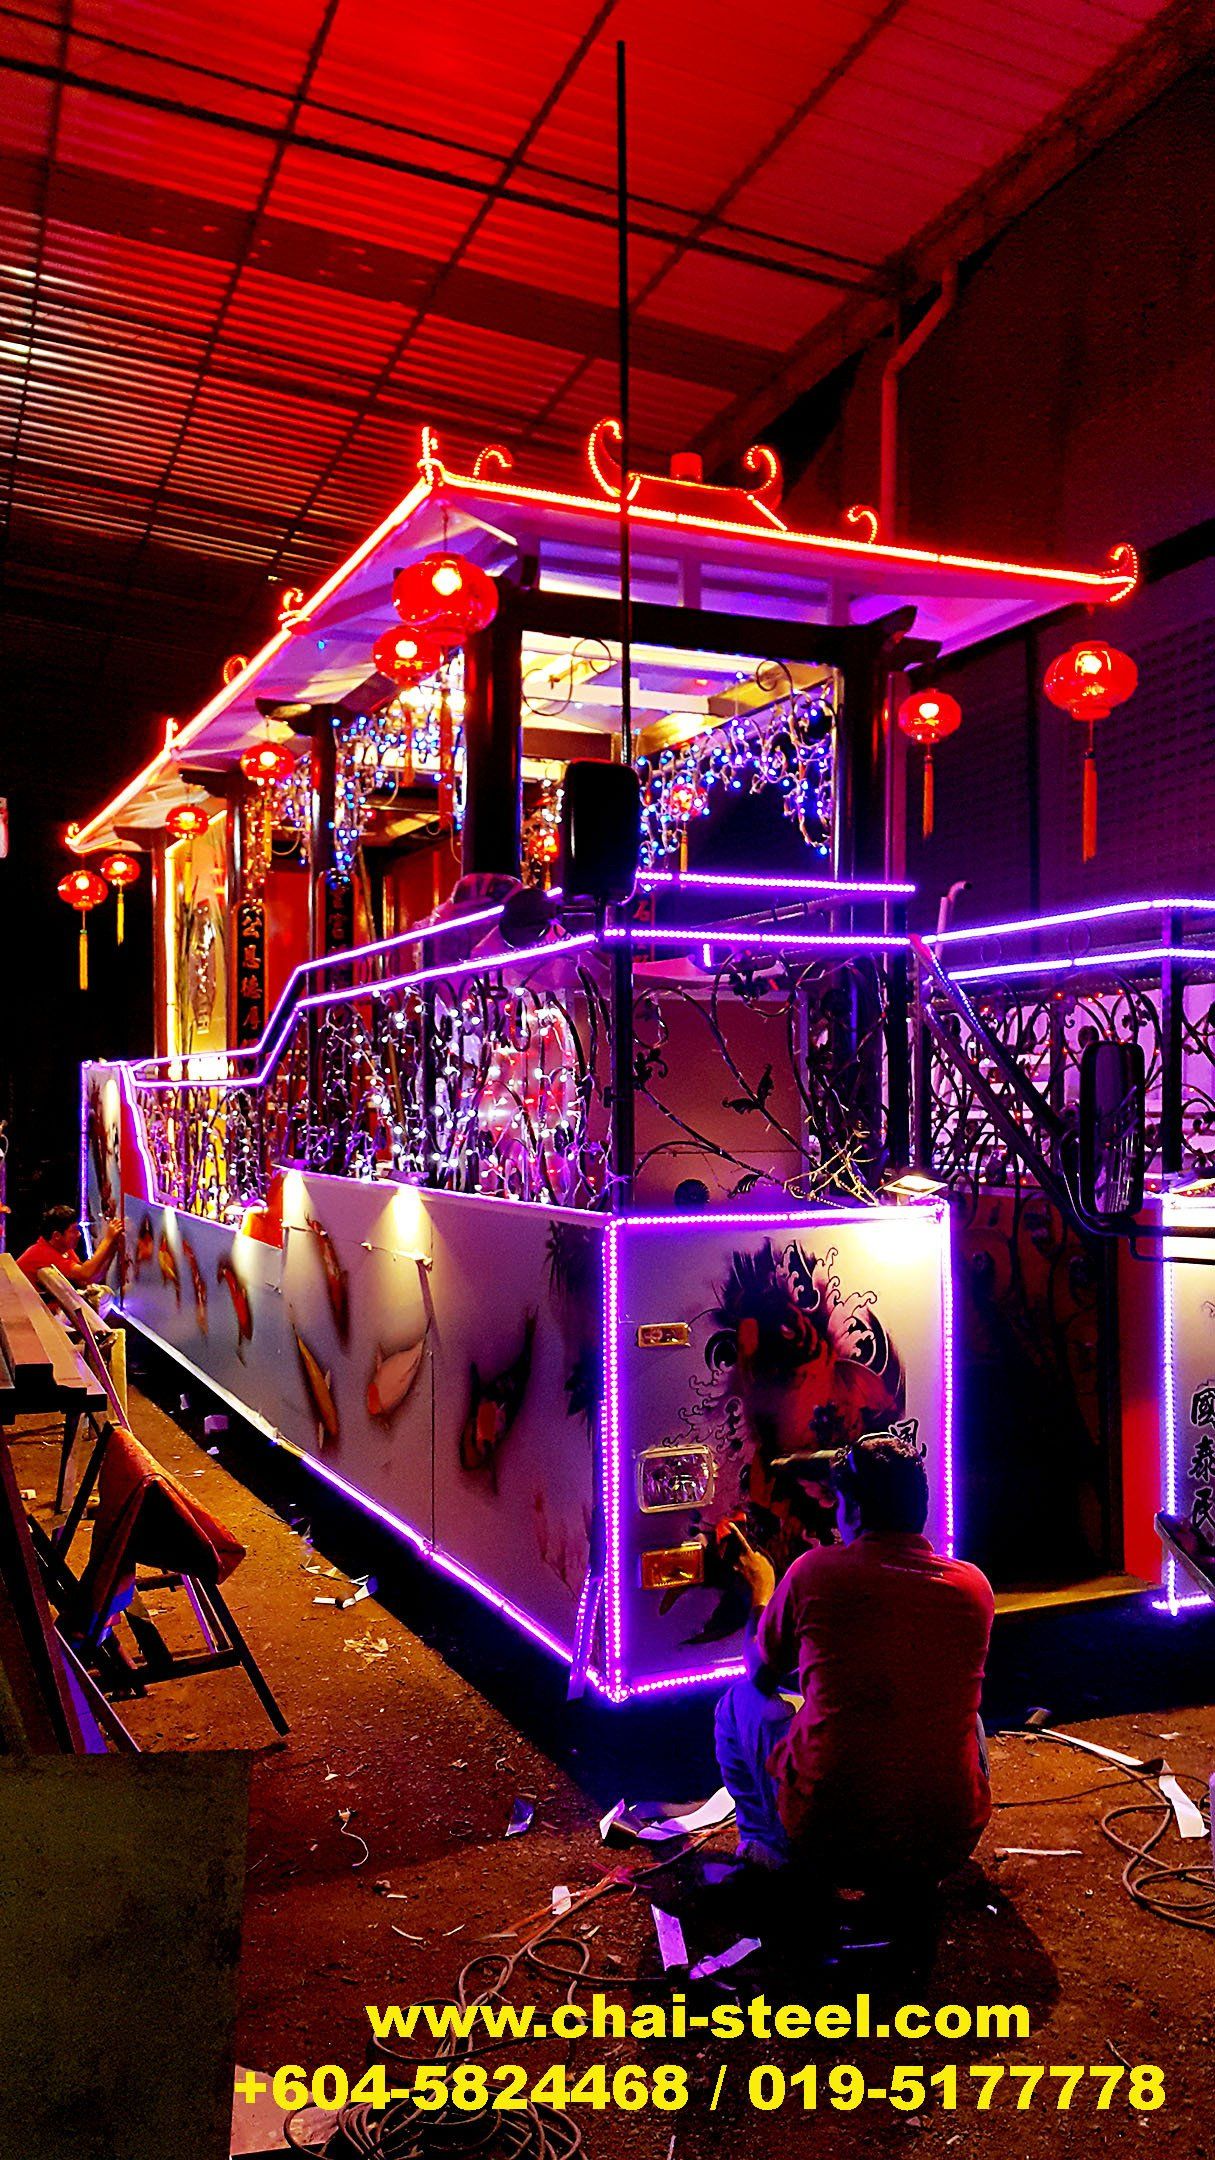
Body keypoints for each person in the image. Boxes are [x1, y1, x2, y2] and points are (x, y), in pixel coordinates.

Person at [714, 1434, 994, 1888]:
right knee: (971, 1721)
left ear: (856, 1511)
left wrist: (763, 1590)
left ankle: (768, 1846)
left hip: (830, 1846)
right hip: (945, 1848)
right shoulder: (973, 1587)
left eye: (839, 1503)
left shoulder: (813, 1572)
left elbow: (761, 1673)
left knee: (736, 1703)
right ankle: (915, 1863)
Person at [16, 1204, 123, 1290]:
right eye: (73, 1231)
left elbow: (87, 1280)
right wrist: (108, 1239)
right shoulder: (42, 1253)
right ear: (57, 1236)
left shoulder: (64, 1249)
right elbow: (85, 1273)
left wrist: (112, 1248)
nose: (79, 1234)